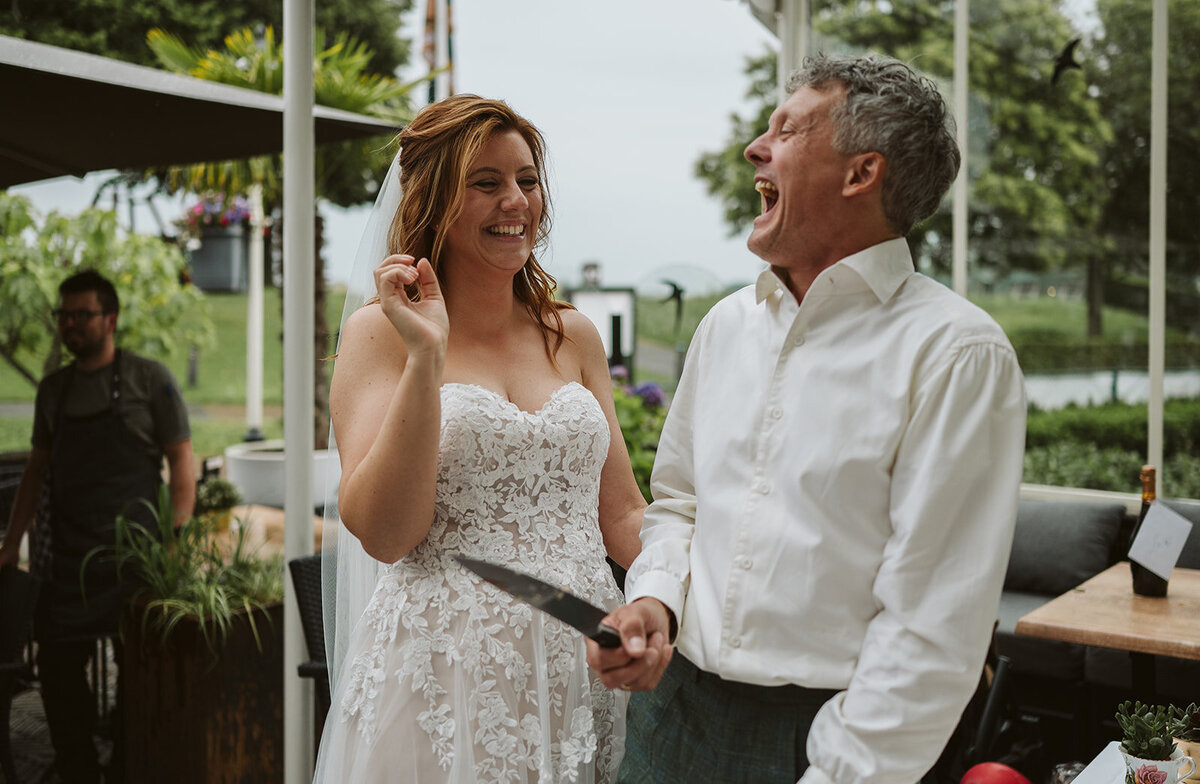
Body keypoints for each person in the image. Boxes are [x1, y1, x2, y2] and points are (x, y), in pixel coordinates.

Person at [587, 54, 1028, 784]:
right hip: (669, 718)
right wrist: (655, 603)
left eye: (786, 131)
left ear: (862, 174)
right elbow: (680, 505)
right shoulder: (726, 325)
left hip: (826, 740)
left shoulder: (958, 355)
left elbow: (931, 625)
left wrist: (838, 775)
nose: (755, 149)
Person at [312, 95, 647, 783]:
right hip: (445, 675)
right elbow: (386, 534)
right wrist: (426, 357)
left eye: (526, 180)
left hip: (581, 670)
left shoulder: (572, 333)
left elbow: (620, 515)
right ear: (435, 198)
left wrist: (694, 589)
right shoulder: (378, 335)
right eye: (486, 183)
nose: (515, 202)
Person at [0, 269, 195, 784]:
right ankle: (78, 768)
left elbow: (182, 463)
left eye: (81, 315)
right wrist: (13, 541)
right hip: (67, 565)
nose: (70, 325)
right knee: (60, 679)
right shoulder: (53, 392)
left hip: (136, 562)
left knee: (140, 681)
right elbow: (37, 471)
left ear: (110, 319)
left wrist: (175, 543)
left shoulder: (150, 380)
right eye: (63, 316)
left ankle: (132, 764)